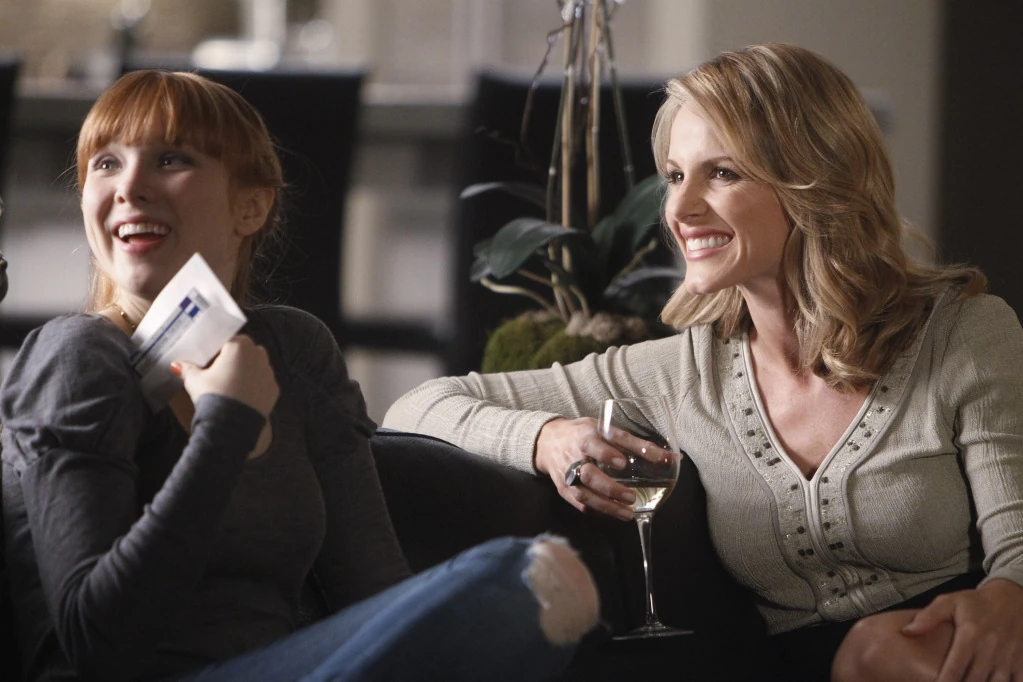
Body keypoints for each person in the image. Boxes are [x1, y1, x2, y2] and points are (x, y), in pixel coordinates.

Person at [384, 42, 1023, 682]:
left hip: (965, 648)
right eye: (674, 176)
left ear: (814, 181)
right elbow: (418, 406)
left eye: (722, 173)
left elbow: (1016, 546)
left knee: (885, 651)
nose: (680, 209)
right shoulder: (679, 374)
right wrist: (547, 438)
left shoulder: (962, 334)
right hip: (795, 665)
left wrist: (1007, 596)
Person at [0, 69, 599, 682]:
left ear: (251, 205)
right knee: (524, 580)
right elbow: (96, 642)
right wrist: (225, 429)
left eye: (171, 159)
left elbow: (376, 593)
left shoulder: (294, 350)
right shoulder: (77, 357)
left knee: (524, 598)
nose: (129, 187)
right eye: (106, 164)